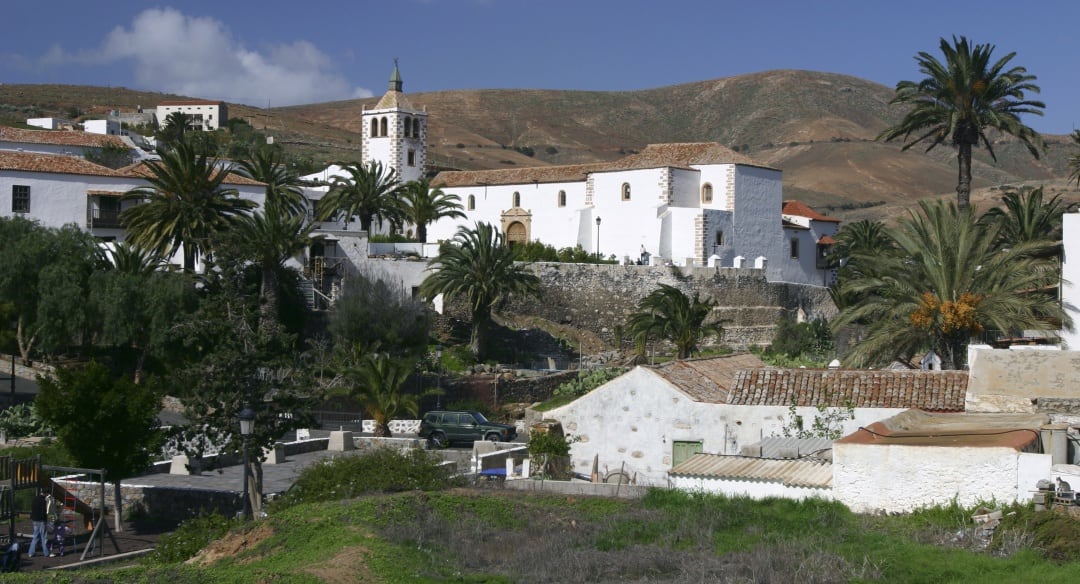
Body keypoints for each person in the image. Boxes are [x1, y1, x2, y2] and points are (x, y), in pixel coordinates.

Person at [28, 489, 48, 558]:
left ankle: (31, 552)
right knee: (43, 537)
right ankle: (46, 552)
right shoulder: (43, 500)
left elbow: (32, 509)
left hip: (34, 520)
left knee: (35, 536)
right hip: (41, 521)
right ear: (45, 493)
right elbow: (43, 512)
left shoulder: (35, 498)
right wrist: (45, 519)